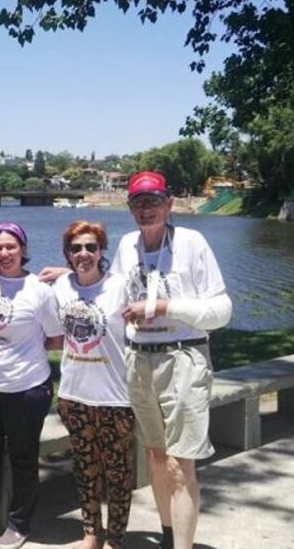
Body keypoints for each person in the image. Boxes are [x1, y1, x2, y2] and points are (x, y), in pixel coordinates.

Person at [113, 171, 232, 549]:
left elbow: (221, 311)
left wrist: (164, 307)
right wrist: (70, 276)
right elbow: (112, 295)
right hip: (139, 360)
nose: (146, 209)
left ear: (169, 204)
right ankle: (168, 537)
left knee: (181, 465)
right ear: (130, 208)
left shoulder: (192, 243)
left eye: (153, 201)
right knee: (155, 456)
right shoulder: (127, 245)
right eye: (138, 202)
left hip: (182, 357)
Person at [0, 222, 63, 549]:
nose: (4, 253)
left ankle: (19, 522)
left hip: (26, 387)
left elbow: (56, 338)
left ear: (23, 249)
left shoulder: (39, 290)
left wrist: (21, 351)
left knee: (23, 456)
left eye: (11, 247)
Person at [53, 221, 134, 549]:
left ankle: (115, 538)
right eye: (76, 248)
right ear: (67, 253)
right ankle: (91, 531)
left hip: (116, 397)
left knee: (118, 472)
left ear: (102, 251)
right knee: (85, 468)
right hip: (74, 395)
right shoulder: (61, 285)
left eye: (91, 247)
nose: (83, 254)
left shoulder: (121, 286)